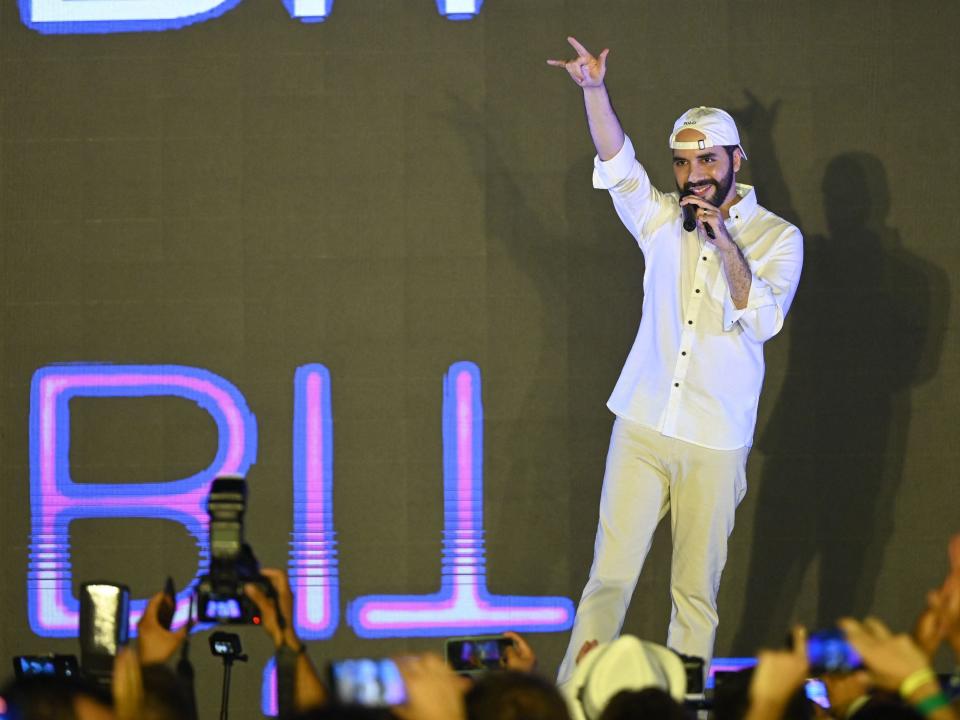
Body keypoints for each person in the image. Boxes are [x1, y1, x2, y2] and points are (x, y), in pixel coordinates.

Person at [546, 36, 804, 686]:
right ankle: (573, 702)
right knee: (608, 578)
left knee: (694, 595)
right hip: (642, 422)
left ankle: (684, 706)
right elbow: (619, 162)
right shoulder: (661, 220)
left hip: (715, 439)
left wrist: (722, 236)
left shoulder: (777, 237)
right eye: (685, 164)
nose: (695, 176)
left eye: (708, 161)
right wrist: (595, 93)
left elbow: (764, 318)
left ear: (737, 159)